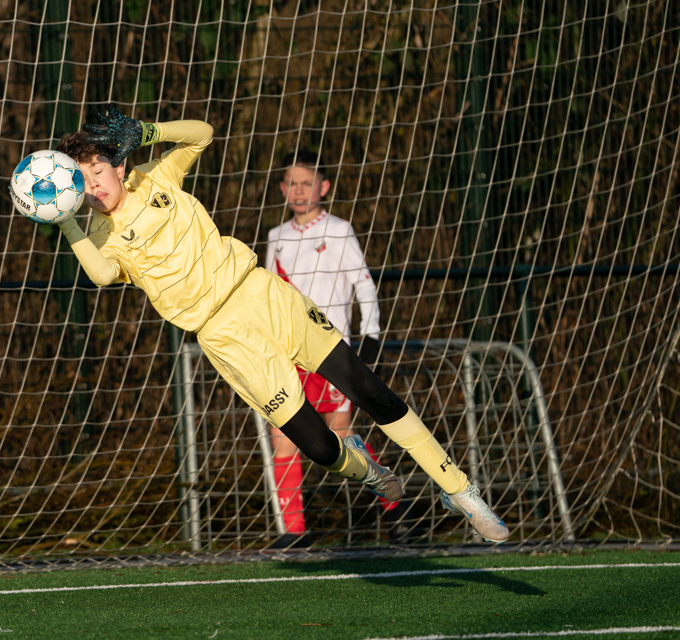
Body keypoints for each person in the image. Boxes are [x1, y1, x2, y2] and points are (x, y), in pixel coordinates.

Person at [49, 105, 509, 546]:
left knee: (370, 390)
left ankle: (460, 491)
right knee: (320, 448)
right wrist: (67, 221)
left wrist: (149, 131)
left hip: (262, 296)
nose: (94, 185)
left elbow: (203, 133)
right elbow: (103, 275)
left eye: (97, 171)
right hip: (225, 337)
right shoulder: (98, 237)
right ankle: (367, 471)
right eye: (81, 183)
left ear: (117, 166)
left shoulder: (155, 176)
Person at [263, 149, 395, 548]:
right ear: (283, 189)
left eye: (307, 183)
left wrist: (370, 337)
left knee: (339, 431)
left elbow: (363, 284)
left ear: (323, 187)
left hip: (330, 350)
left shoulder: (338, 229)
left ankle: (396, 507)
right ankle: (294, 533)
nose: (299, 191)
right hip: (288, 352)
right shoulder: (276, 238)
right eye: (292, 184)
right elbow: (269, 294)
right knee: (281, 433)